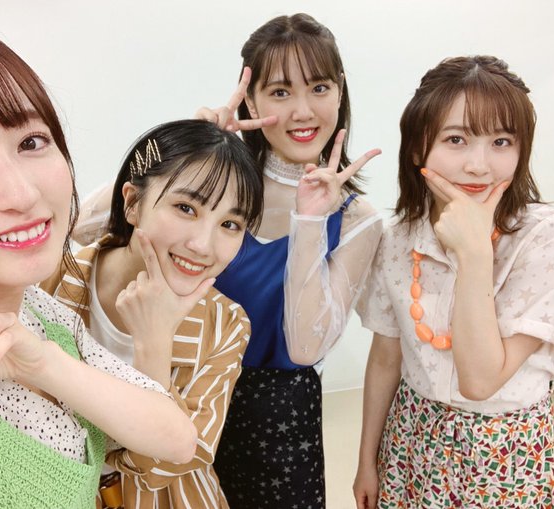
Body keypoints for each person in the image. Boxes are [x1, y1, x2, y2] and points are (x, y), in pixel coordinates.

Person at [0, 14, 197, 509]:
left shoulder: (42, 315)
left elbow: (176, 438)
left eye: (31, 141)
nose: (22, 194)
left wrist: (43, 363)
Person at [353, 55, 554, 509]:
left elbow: (480, 381)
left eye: (501, 141)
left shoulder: (552, 239)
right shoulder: (398, 238)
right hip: (411, 436)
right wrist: (367, 459)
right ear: (418, 148)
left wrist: (475, 253)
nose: (479, 166)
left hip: (505, 451)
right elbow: (385, 358)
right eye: (456, 139)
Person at [193, 13, 383, 508]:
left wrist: (310, 222)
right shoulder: (220, 184)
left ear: (339, 91)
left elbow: (303, 347)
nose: (303, 111)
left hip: (278, 422)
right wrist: (191, 152)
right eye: (280, 92)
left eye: (319, 87)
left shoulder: (357, 219)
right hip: (185, 400)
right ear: (251, 102)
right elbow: (89, 226)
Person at [42, 119, 262, 508]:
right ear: (132, 203)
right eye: (186, 208)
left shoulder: (227, 324)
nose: (203, 245)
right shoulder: (49, 281)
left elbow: (173, 461)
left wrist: (154, 344)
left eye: (230, 224)